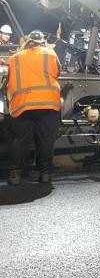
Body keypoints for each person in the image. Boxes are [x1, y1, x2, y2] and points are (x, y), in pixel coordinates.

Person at [6, 30, 61, 185]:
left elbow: (8, 79)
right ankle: (45, 175)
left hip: (22, 104)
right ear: (42, 41)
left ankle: (16, 175)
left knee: (21, 140)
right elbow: (57, 73)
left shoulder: (14, 58)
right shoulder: (50, 54)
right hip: (48, 104)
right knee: (45, 141)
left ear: (27, 42)